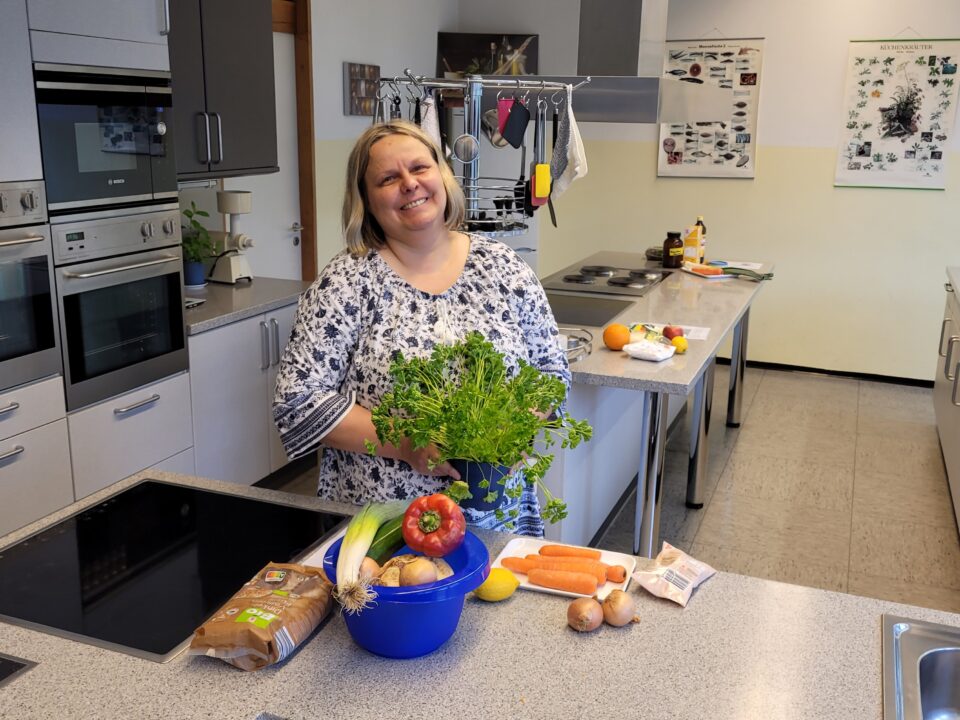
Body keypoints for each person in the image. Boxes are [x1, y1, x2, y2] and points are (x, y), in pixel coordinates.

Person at [273, 120, 570, 536]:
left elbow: (551, 373)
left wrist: (516, 424)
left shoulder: (504, 267)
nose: (410, 184)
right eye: (389, 178)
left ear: (442, 175)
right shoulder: (345, 283)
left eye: (419, 168)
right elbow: (297, 403)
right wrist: (408, 445)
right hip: (387, 529)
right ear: (367, 201)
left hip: (499, 520)